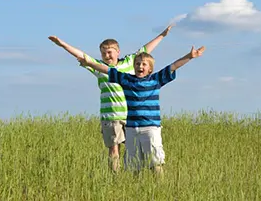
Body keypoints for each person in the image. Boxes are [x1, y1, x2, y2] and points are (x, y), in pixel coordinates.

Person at [48, 24, 173, 172]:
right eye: (103, 53)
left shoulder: (129, 63)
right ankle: (116, 176)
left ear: (117, 51)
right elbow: (81, 55)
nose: (107, 56)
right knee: (114, 150)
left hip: (130, 116)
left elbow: (146, 50)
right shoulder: (98, 67)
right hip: (110, 116)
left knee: (133, 149)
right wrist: (62, 44)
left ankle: (134, 174)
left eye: (109, 52)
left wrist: (162, 35)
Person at [77, 45, 205, 177]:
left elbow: (173, 66)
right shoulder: (126, 80)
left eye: (144, 64)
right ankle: (136, 187)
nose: (140, 67)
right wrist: (90, 63)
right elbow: (107, 70)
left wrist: (190, 56)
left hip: (150, 128)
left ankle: (162, 188)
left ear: (150, 68)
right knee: (133, 164)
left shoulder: (155, 79)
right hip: (132, 129)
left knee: (155, 162)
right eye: (137, 64)